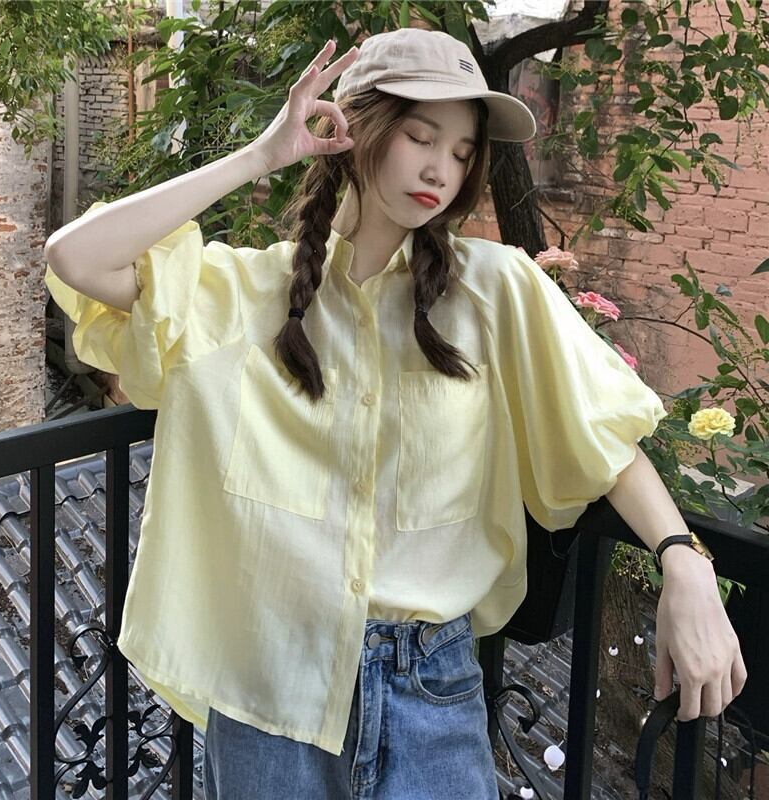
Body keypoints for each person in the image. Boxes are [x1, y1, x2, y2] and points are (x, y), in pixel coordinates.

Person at [43, 27, 746, 800]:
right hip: (270, 692)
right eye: (420, 136)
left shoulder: (495, 289)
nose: (442, 169)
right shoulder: (244, 296)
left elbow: (604, 437)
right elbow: (77, 258)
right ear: (358, 130)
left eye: (462, 151)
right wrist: (263, 155)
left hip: (431, 691)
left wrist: (684, 559)